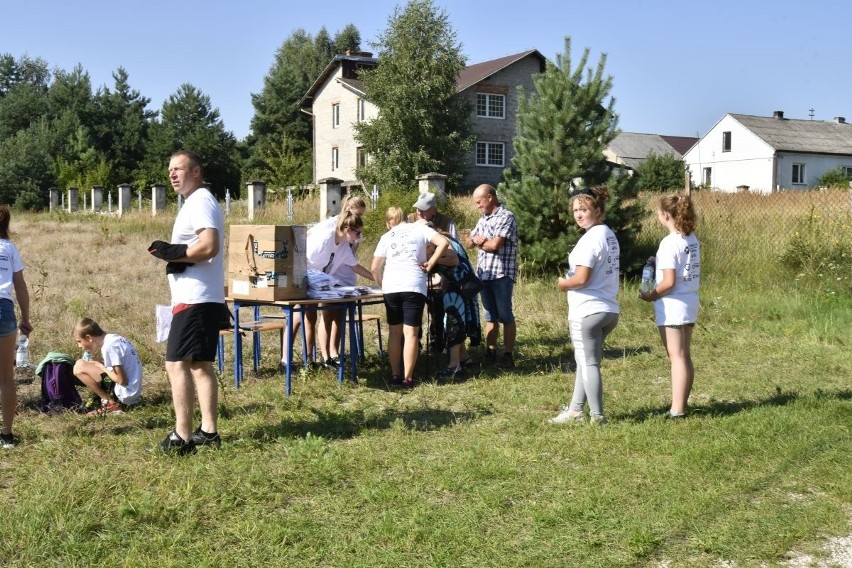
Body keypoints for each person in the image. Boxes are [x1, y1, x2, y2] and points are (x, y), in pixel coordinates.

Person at [148, 150, 228, 454]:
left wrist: (174, 254)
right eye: (169, 170)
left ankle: (181, 437)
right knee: (199, 365)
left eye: (178, 169)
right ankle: (208, 432)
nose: (171, 174)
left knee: (176, 364)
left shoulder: (200, 201)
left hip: (195, 298)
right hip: (198, 296)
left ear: (196, 171)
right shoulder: (197, 201)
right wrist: (176, 253)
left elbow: (209, 246)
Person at [551, 186, 620, 425]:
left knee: (589, 362)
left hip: (587, 309)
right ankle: (575, 410)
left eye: (584, 209)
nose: (579, 215)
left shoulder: (590, 239)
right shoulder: (608, 234)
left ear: (598, 210)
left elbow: (581, 278)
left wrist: (564, 284)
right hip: (608, 308)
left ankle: (598, 416)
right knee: (585, 360)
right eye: (575, 210)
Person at [282, 211, 374, 368]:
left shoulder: (344, 246)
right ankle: (285, 360)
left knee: (310, 319)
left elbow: (356, 267)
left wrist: (379, 279)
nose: (358, 237)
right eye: (357, 233)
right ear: (347, 229)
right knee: (298, 317)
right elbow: (300, 257)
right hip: (302, 279)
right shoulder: (325, 239)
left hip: (318, 286)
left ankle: (309, 359)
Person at [371, 207, 452, 387]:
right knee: (411, 333)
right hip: (413, 285)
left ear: (389, 222)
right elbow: (443, 242)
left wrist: (382, 285)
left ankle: (394, 375)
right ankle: (408, 377)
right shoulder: (420, 228)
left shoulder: (387, 236)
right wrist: (431, 262)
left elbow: (375, 267)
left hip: (392, 286)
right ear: (407, 219)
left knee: (394, 332)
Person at [639, 193, 700, 418]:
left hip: (673, 305)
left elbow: (668, 282)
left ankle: (677, 409)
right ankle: (681, 403)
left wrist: (651, 295)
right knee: (684, 355)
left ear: (665, 215)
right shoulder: (691, 239)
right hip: (690, 300)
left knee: (676, 356)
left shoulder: (668, 243)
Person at [465, 184, 518, 369]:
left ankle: (508, 355)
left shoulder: (506, 216)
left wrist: (480, 241)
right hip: (484, 275)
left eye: (479, 202)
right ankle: (491, 351)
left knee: (505, 315)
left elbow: (495, 245)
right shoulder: (483, 219)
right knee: (489, 316)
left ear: (489, 198)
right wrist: (475, 239)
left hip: (501, 274)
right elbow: (468, 242)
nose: (477, 206)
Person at [313, 195, 367, 368]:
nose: (359, 235)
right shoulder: (329, 230)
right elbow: (308, 256)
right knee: (325, 315)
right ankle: (323, 355)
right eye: (358, 214)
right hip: (322, 279)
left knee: (339, 316)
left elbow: (355, 264)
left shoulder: (346, 241)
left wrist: (377, 277)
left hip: (337, 279)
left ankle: (334, 353)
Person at [429, 227, 481, 378]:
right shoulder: (447, 239)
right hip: (462, 285)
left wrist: (433, 259)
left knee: (454, 323)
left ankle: (454, 366)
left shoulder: (442, 242)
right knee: (458, 321)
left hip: (456, 288)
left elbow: (454, 259)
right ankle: (464, 358)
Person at [410, 191, 458, 354]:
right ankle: (414, 344)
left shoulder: (446, 223)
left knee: (437, 310)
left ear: (434, 210)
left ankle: (436, 344)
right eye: (418, 209)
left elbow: (454, 252)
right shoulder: (409, 221)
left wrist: (433, 259)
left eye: (423, 210)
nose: (419, 213)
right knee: (414, 311)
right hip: (414, 274)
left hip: (438, 273)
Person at [0, 206, 31, 449]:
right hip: (4, 309)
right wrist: (26, 318)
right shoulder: (9, 248)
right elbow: (20, 286)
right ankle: (7, 435)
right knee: (6, 377)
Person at [72, 318, 143, 416]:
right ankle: (105, 400)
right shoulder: (115, 338)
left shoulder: (109, 347)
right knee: (83, 364)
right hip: (133, 391)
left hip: (125, 394)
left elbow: (122, 380)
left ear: (89, 337)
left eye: (79, 341)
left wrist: (100, 366)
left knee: (79, 367)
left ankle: (110, 403)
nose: (79, 346)